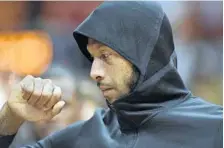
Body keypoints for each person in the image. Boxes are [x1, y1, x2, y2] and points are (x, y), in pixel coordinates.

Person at [0, 1, 222, 148]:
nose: (94, 72)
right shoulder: (86, 135)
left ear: (142, 54)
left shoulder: (215, 127)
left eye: (105, 56)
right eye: (93, 57)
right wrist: (8, 119)